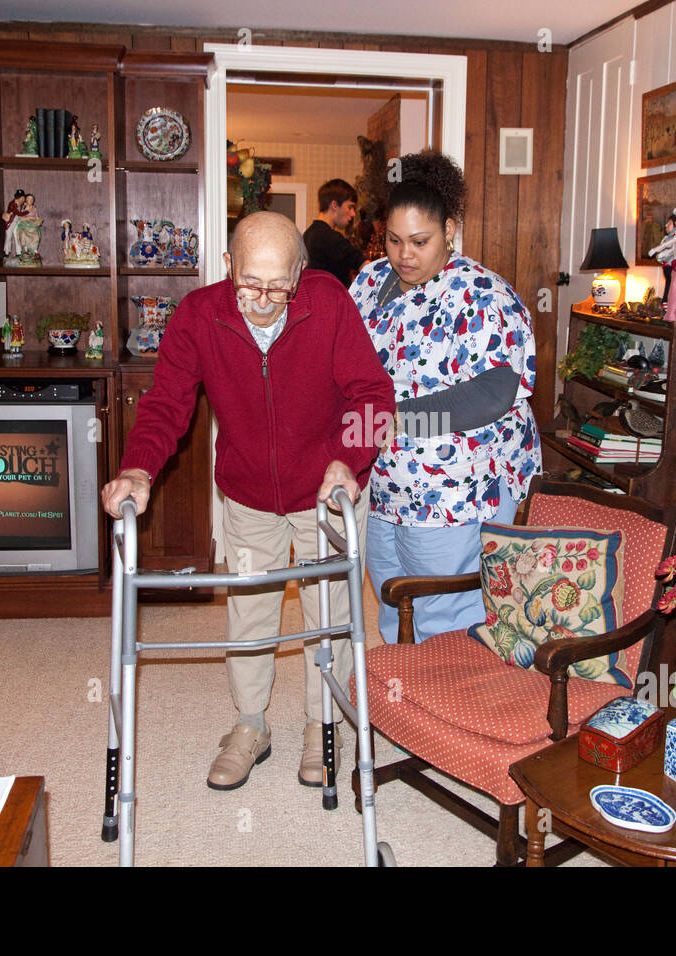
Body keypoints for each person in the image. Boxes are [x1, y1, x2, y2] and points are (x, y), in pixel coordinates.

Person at [101, 211, 393, 791]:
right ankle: (250, 724)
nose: (262, 300)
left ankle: (321, 724)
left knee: (329, 619)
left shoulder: (328, 303)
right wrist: (139, 468)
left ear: (301, 273)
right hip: (249, 494)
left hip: (326, 496)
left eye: (278, 287)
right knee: (250, 617)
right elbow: (166, 405)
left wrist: (347, 457)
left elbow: (375, 397)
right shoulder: (198, 315)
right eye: (249, 283)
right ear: (228, 266)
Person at [350, 150, 542, 644]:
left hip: (456, 486)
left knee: (445, 612)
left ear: (450, 229)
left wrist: (398, 419)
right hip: (385, 477)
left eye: (420, 241)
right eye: (393, 240)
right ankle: (405, 703)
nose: (404, 254)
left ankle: (452, 710)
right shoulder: (369, 282)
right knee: (393, 597)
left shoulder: (481, 293)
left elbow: (494, 393)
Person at [303, 178, 365, 287]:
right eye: (350, 207)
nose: (353, 214)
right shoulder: (332, 238)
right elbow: (365, 266)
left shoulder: (307, 234)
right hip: (332, 302)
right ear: (334, 205)